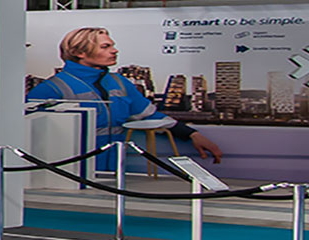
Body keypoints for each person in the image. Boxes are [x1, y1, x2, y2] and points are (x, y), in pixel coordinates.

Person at [28, 26, 224, 164]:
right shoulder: (52, 89)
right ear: (80, 52)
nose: (115, 51)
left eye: (112, 45)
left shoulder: (120, 83)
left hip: (115, 170)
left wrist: (192, 134)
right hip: (70, 171)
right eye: (105, 47)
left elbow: (149, 115)